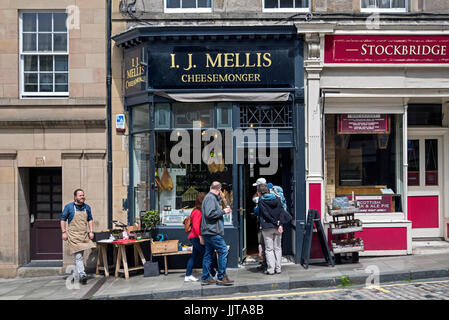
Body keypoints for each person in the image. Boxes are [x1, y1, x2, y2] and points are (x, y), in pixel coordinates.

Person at [200, 181, 234, 286]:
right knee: (223, 251)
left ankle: (205, 278)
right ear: (219, 190)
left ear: (211, 187)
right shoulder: (210, 198)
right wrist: (223, 211)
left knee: (208, 255)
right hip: (212, 231)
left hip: (208, 231)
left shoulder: (210, 197)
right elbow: (210, 214)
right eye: (220, 191)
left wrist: (221, 198)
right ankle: (221, 277)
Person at [60, 189, 96, 284]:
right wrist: (64, 232)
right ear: (75, 197)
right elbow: (63, 219)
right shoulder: (69, 207)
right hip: (73, 235)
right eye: (80, 195)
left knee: (79, 256)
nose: (82, 197)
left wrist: (91, 231)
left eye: (83, 195)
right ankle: (83, 274)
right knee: (79, 256)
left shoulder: (87, 207)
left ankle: (75, 276)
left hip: (83, 235)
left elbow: (90, 219)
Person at [185, 192, 217, 282]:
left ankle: (188, 275)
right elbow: (195, 226)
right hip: (196, 237)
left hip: (195, 237)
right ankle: (213, 274)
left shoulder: (196, 210)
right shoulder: (198, 212)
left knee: (194, 256)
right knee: (207, 255)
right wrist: (200, 237)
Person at [257, 184, 284, 275]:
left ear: (260, 192)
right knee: (278, 248)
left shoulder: (261, 201)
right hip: (278, 227)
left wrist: (274, 221)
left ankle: (271, 269)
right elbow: (282, 212)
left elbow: (265, 214)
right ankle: (278, 268)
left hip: (267, 227)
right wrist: (279, 223)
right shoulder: (278, 199)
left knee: (269, 249)